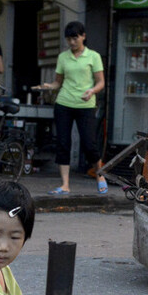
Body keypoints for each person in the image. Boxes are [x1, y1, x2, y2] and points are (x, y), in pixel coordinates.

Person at [35, 21, 106, 195]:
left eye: (75, 38)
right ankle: (65, 184)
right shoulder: (63, 57)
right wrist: (48, 86)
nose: (72, 42)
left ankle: (100, 174)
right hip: (64, 104)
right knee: (63, 143)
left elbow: (100, 82)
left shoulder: (93, 57)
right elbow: (58, 82)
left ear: (83, 36)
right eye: (69, 39)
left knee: (90, 144)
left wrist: (92, 91)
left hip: (86, 105)